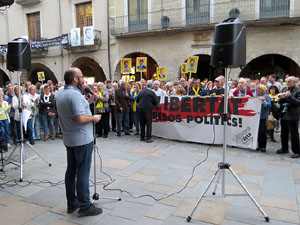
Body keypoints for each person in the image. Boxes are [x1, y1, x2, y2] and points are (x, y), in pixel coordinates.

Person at [56, 67, 103, 216]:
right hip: (82, 140)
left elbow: (74, 111)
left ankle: (72, 203)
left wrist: (87, 101)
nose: (84, 79)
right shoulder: (74, 95)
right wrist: (94, 118)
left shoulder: (61, 93)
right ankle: (85, 206)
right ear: (75, 79)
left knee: (71, 171)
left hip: (70, 139)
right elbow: (80, 118)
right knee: (83, 173)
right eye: (82, 76)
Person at [276, 76, 300, 158]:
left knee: (294, 134)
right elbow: (280, 101)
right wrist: (282, 98)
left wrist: (289, 97)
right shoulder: (285, 89)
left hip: (293, 114)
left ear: (294, 82)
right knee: (284, 132)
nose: (288, 83)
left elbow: (298, 103)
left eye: (289, 81)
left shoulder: (298, 91)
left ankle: (297, 151)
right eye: (286, 81)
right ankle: (284, 148)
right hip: (284, 113)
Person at [256, 85, 271, 152]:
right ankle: (259, 145)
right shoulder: (256, 95)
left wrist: (264, 101)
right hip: (256, 117)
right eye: (258, 89)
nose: (258, 90)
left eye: (260, 89)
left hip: (263, 117)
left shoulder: (266, 96)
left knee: (262, 132)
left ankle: (263, 146)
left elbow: (268, 106)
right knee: (258, 132)